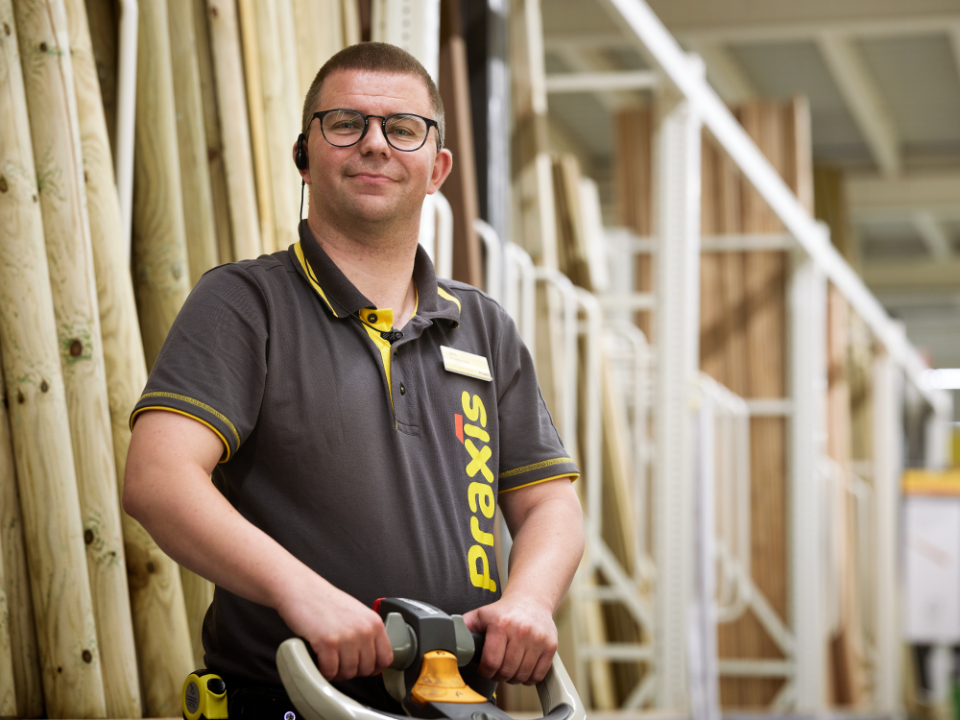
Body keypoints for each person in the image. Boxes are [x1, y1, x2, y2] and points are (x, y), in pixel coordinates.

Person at [123, 42, 584, 715]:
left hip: (466, 701)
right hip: (295, 698)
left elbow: (551, 504)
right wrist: (299, 592)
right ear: (303, 158)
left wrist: (531, 602)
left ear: (437, 169)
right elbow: (159, 479)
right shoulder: (246, 305)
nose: (374, 144)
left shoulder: (482, 326)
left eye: (402, 128)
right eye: (345, 123)